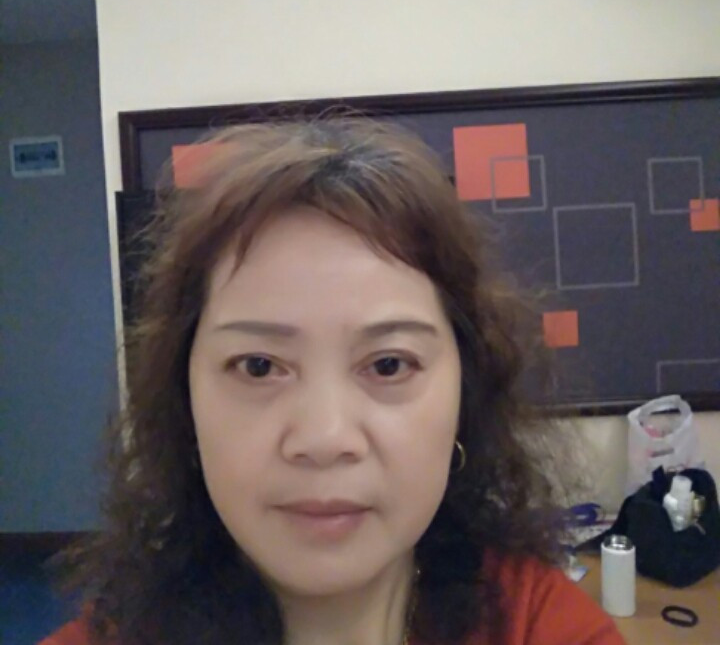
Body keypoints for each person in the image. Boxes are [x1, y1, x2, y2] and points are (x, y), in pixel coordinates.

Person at [42, 118, 626, 645]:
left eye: (389, 364)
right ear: (184, 401)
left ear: (464, 396)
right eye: (258, 366)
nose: (324, 439)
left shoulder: (539, 626)